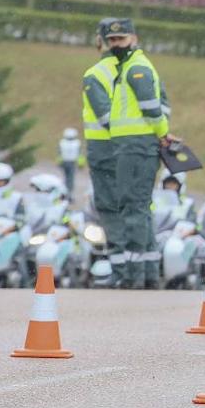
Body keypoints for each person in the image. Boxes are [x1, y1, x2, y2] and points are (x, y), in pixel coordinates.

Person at [106, 19, 175, 289]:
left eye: (120, 40)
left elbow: (151, 108)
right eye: (112, 41)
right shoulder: (130, 66)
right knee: (139, 206)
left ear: (133, 38)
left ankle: (135, 274)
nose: (115, 45)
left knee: (132, 205)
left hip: (136, 145)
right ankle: (147, 272)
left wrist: (162, 133)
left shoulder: (136, 68)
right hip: (133, 145)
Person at [83, 20, 123, 283]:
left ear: (100, 41)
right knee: (134, 208)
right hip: (135, 150)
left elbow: (105, 117)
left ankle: (120, 270)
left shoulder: (95, 74)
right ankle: (139, 270)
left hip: (105, 150)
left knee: (109, 209)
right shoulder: (138, 67)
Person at [57, 128, 82, 200]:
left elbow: (59, 153)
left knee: (65, 178)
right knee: (71, 179)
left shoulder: (62, 142)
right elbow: (80, 155)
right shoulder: (77, 143)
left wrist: (59, 162)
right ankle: (69, 195)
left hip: (64, 162)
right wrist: (81, 164)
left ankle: (64, 193)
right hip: (72, 162)